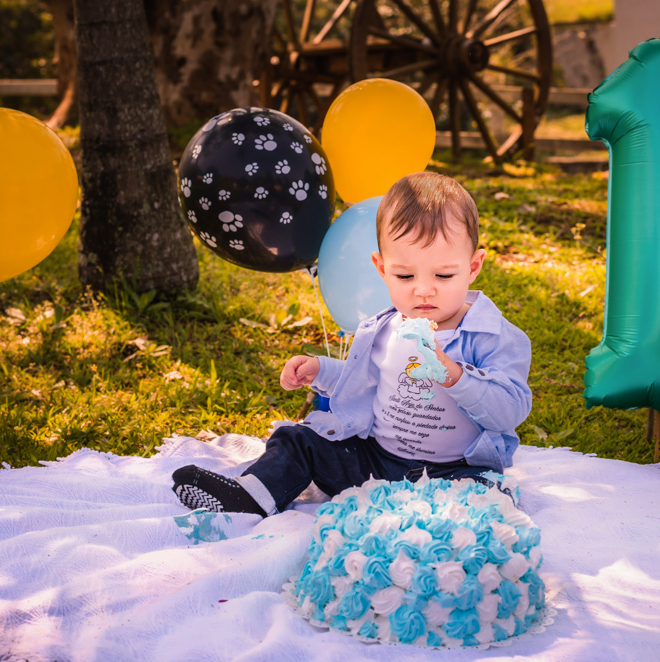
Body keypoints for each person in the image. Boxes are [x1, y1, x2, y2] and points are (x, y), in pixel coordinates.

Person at [171, 171, 532, 517]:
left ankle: (441, 527)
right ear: (381, 268)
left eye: (444, 274)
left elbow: (510, 410)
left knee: (488, 495)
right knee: (298, 439)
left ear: (473, 267)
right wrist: (321, 370)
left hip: (453, 471)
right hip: (376, 463)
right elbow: (366, 380)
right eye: (405, 275)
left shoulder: (494, 336)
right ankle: (253, 494)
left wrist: (454, 375)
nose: (424, 289)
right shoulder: (385, 328)